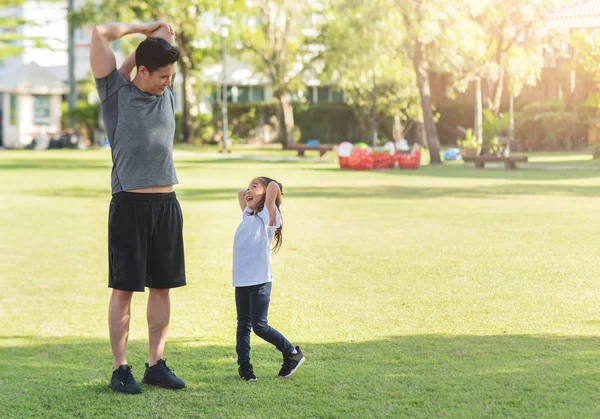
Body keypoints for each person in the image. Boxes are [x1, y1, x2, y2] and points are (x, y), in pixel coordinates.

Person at [90, 21, 186, 394]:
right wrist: (142, 28)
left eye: (171, 76)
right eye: (161, 76)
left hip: (166, 205)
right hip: (129, 204)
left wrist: (154, 37)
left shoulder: (166, 92)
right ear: (141, 72)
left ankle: (155, 364)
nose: (167, 83)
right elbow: (99, 33)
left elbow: (167, 35)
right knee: (125, 290)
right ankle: (120, 368)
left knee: (162, 288)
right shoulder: (115, 93)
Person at [233, 177, 305, 381]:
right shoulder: (248, 215)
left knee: (260, 326)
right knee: (243, 326)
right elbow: (240, 193)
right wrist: (253, 192)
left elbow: (273, 186)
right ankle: (245, 367)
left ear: (266, 196)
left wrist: (270, 194)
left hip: (259, 281)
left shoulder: (268, 217)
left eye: (254, 186)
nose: (248, 190)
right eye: (249, 186)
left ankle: (291, 353)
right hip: (241, 280)